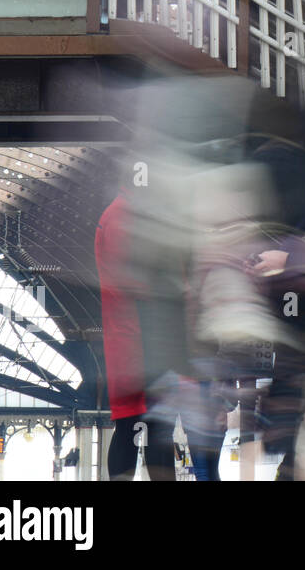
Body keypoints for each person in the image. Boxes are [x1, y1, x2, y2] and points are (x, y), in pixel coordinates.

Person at [94, 191, 177, 480]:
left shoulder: (122, 214)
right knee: (149, 425)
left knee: (136, 423)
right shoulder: (123, 217)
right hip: (139, 340)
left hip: (133, 339)